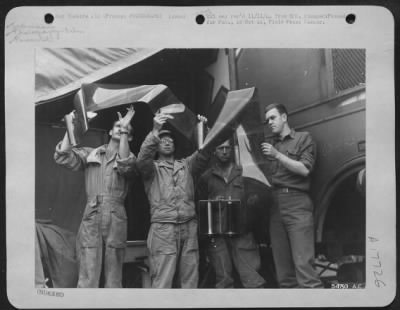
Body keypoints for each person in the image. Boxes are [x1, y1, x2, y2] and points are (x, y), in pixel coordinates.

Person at [54, 106, 136, 288]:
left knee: (114, 275)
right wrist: (71, 126)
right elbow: (63, 156)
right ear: (109, 131)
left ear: (128, 137)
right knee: (88, 273)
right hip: (92, 213)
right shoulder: (91, 153)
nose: (121, 128)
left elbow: (125, 165)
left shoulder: (129, 156)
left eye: (126, 130)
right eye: (117, 126)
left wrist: (123, 128)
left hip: (116, 217)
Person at [136, 113, 211, 288]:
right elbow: (142, 159)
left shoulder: (186, 165)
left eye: (170, 140)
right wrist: (155, 130)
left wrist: (203, 130)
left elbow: (204, 154)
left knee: (190, 280)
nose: (168, 142)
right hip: (163, 229)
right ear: (156, 145)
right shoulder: (151, 169)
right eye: (163, 140)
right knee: (162, 280)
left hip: (189, 228)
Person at [261, 103, 323, 288]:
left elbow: (304, 169)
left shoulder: (303, 138)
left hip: (297, 202)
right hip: (274, 205)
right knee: (284, 274)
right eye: (267, 120)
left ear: (284, 117)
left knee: (305, 269)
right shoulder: (269, 145)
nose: (269, 122)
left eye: (273, 118)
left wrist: (277, 155)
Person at [197, 138, 266, 288]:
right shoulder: (206, 177)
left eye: (227, 148)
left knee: (252, 278)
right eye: (220, 148)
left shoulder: (244, 172)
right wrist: (213, 200)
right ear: (214, 151)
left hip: (243, 232)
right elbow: (199, 205)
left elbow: (259, 198)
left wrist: (252, 201)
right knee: (223, 281)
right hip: (218, 234)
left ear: (232, 150)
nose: (224, 151)